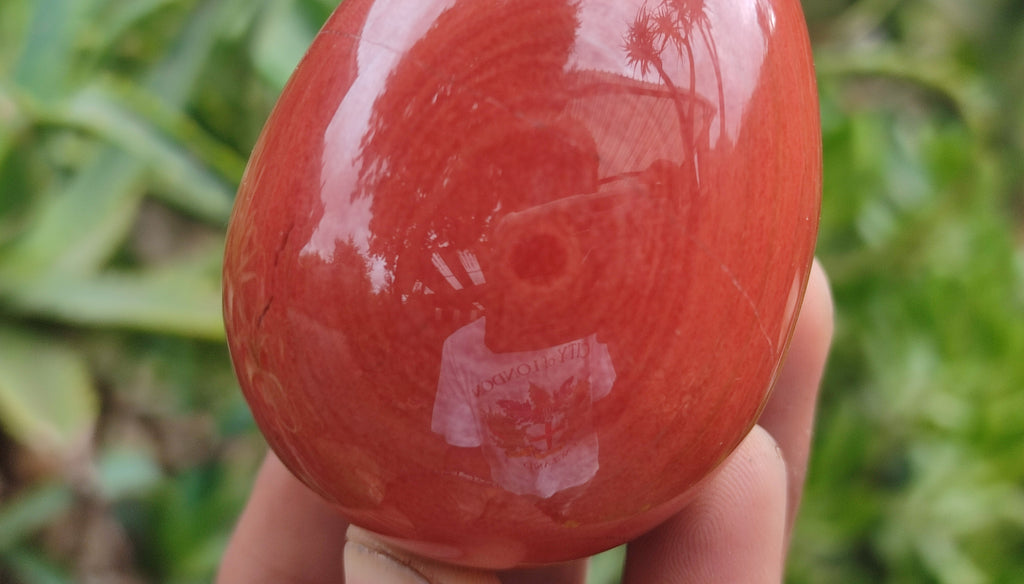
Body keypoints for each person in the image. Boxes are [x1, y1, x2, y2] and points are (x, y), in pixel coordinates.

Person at [216, 260, 833, 584]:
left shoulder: (576, 333)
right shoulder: (473, 347)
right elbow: (459, 446)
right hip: (515, 514)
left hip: (568, 505)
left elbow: (611, 408)